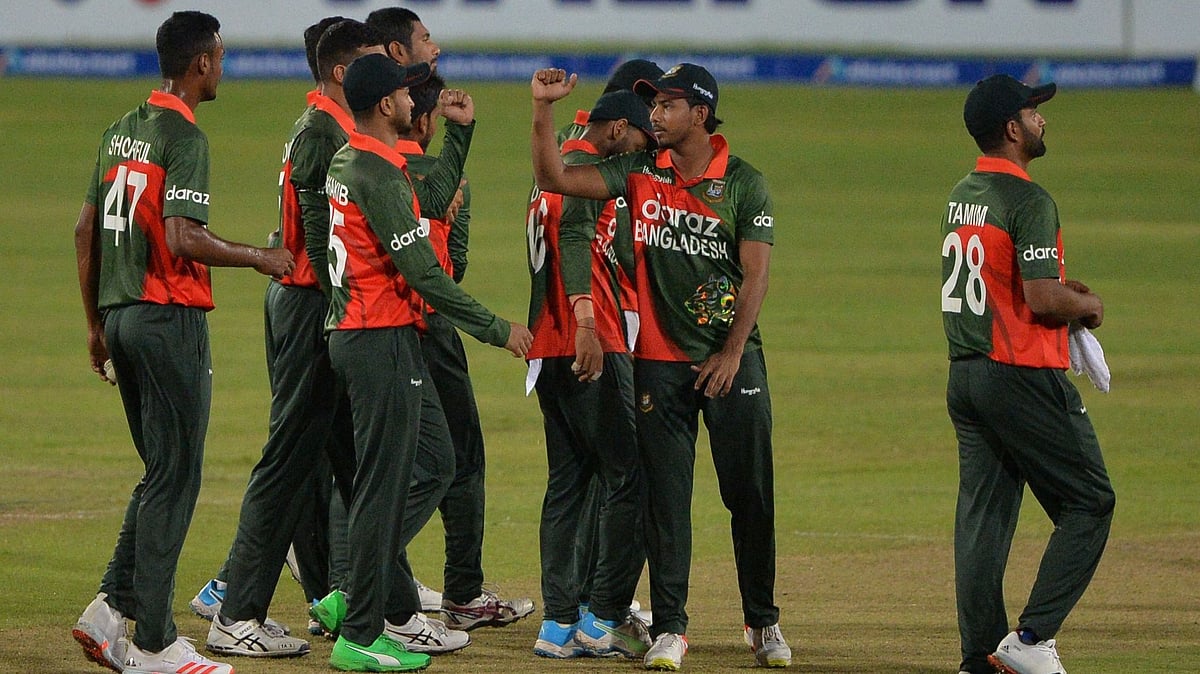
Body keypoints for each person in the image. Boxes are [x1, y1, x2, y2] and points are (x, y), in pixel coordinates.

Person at [529, 64, 792, 670]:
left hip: (733, 362)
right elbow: (553, 176)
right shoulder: (639, 171)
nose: (656, 116)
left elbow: (756, 276)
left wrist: (731, 352)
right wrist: (542, 109)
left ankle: (763, 621)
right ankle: (671, 628)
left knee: (749, 494)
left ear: (700, 114)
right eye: (653, 106)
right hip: (659, 364)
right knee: (666, 502)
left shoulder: (745, 183)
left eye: (668, 105)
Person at [71, 10, 294, 674]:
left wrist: (95, 326)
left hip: (118, 314)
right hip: (166, 319)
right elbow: (183, 238)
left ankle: (109, 607)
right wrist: (260, 257)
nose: (222, 66)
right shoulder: (183, 135)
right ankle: (154, 641)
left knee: (159, 471)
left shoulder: (118, 132)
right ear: (200, 65)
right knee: (177, 477)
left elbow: (84, 233)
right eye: (219, 57)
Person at [323, 52, 533, 672]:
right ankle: (359, 630)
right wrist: (498, 329)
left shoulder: (353, 160)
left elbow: (429, 198)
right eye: (407, 94)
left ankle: (354, 598)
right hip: (379, 337)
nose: (418, 101)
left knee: (432, 463)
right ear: (387, 104)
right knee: (386, 487)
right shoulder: (379, 174)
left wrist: (461, 134)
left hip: (361, 332)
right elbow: (425, 274)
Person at [194, 18, 386, 659]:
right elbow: (316, 227)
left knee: (332, 457)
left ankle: (351, 600)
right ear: (339, 72)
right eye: (365, 59)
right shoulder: (324, 130)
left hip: (309, 297)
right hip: (311, 302)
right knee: (289, 458)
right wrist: (341, 302)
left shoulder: (326, 125)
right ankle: (236, 609)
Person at [364, 4, 538, 631]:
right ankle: (372, 582)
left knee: (377, 459)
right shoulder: (390, 167)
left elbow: (450, 259)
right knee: (445, 459)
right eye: (425, 39)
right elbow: (438, 277)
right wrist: (497, 329)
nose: (434, 47)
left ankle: (387, 587)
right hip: (407, 327)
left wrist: (455, 205)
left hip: (390, 324)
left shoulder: (401, 165)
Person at [943, 74, 1115, 674]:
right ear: (1012, 129)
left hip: (966, 374)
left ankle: (980, 656)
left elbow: (1001, 283)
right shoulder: (1029, 201)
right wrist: (1087, 307)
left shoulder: (964, 192)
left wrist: (1057, 296)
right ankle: (1031, 640)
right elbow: (1041, 299)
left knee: (984, 519)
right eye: (1033, 111)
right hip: (1018, 374)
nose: (1043, 119)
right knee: (1090, 501)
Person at [525, 90, 657, 660]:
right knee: (629, 476)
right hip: (585, 342)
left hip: (545, 345)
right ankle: (602, 615)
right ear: (621, 130)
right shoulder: (582, 169)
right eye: (642, 141)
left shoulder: (555, 165)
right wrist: (587, 325)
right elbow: (574, 246)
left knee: (569, 481)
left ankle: (558, 623)